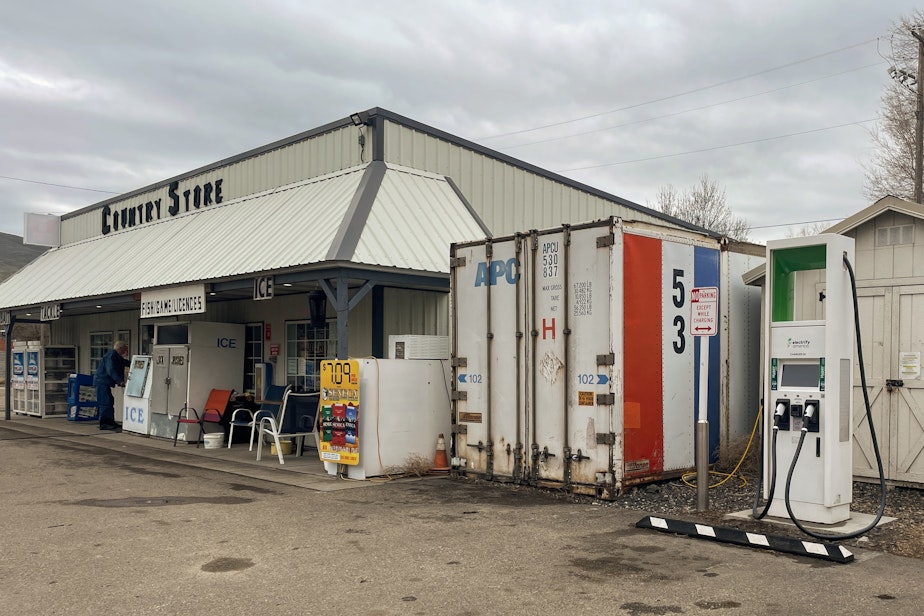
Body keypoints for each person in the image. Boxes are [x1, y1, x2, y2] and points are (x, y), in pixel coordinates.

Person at [95, 340, 130, 432]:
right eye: (125, 350)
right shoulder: (111, 356)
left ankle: (110, 422)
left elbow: (125, 363)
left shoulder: (116, 356)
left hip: (104, 382)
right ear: (120, 348)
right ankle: (104, 423)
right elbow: (110, 370)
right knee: (105, 402)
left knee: (110, 401)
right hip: (102, 382)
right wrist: (119, 381)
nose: (126, 352)